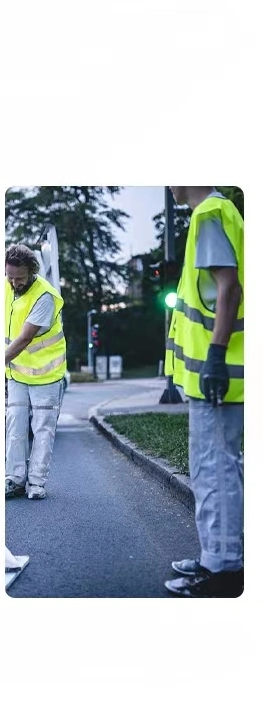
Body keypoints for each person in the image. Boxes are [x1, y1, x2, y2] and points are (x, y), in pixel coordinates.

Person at [164, 187, 244, 597]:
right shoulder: (219, 211)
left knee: (213, 469)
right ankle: (223, 554)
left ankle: (224, 569)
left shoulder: (208, 214)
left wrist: (213, 355)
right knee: (223, 466)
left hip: (218, 374)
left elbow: (229, 287)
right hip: (220, 374)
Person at [4, 243, 67, 500]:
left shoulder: (45, 297)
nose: (15, 283)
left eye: (19, 278)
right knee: (15, 428)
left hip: (46, 376)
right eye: (10, 277)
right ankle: (14, 479)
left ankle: (37, 483)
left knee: (42, 430)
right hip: (18, 373)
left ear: (32, 271)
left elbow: (24, 338)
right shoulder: (6, 286)